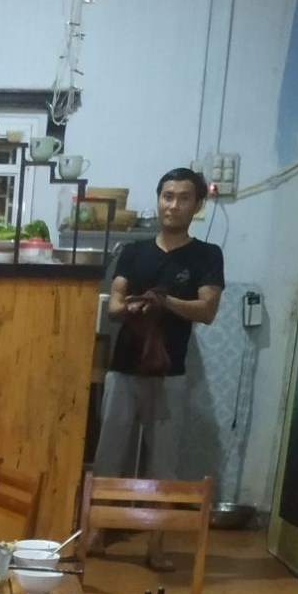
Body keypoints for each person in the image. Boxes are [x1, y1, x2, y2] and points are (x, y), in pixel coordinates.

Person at [93, 167, 225, 567]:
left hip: (170, 375)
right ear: (158, 200)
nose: (173, 205)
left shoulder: (207, 255)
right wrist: (131, 306)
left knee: (162, 462)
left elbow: (207, 309)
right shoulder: (133, 252)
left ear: (197, 205)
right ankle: (97, 530)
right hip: (124, 368)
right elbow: (114, 305)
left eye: (183, 198)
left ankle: (156, 543)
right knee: (109, 455)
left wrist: (165, 302)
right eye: (167, 196)